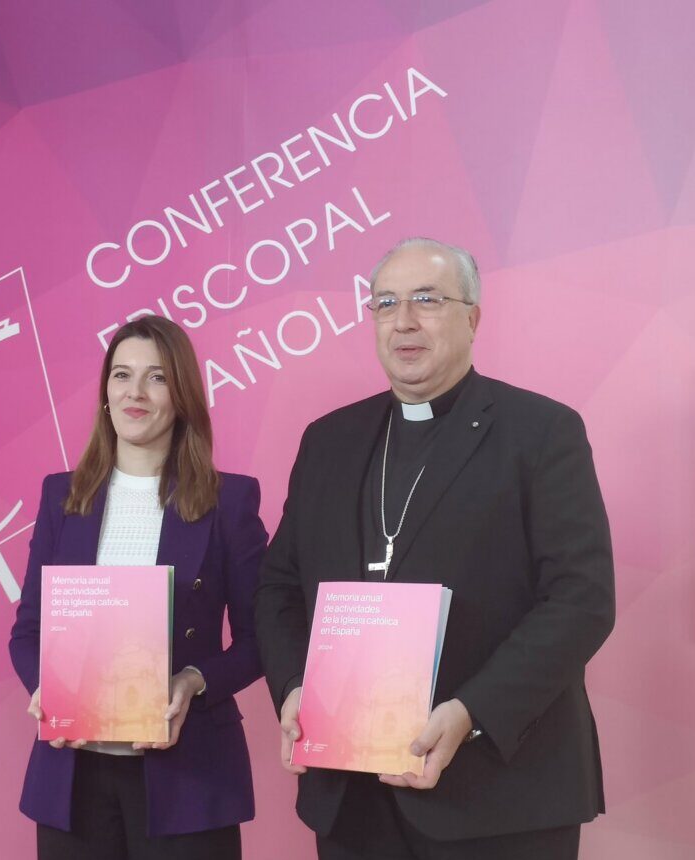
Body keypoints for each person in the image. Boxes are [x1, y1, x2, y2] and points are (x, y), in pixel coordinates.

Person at [255, 237, 615, 860]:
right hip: (352, 798)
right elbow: (278, 589)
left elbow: (581, 601)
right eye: (386, 303)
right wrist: (293, 688)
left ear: (473, 317)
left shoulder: (541, 432)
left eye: (427, 299)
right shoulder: (328, 442)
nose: (404, 321)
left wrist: (470, 711)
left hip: (501, 794)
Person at [9, 315, 267, 860]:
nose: (135, 393)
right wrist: (48, 689)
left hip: (190, 775)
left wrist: (193, 680)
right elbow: (27, 632)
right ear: (105, 391)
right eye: (122, 375)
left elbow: (259, 638)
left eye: (156, 377)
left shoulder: (230, 502)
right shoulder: (62, 497)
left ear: (182, 394)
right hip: (72, 776)